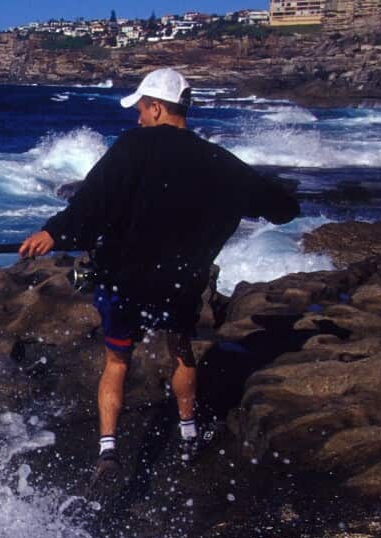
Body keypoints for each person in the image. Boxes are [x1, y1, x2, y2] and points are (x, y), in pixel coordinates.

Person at [19, 68, 300, 490]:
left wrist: (52, 233)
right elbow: (279, 205)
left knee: (117, 361)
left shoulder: (133, 147)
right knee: (181, 348)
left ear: (155, 107)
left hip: (125, 281)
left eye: (141, 110)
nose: (137, 119)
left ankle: (108, 452)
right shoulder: (217, 160)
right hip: (181, 282)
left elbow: (92, 202)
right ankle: (188, 434)